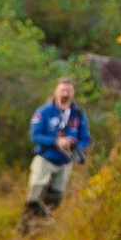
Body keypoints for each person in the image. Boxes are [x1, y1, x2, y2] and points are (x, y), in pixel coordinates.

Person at [25, 77, 90, 220]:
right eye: (62, 90)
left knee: (54, 199)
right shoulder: (44, 112)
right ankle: (26, 227)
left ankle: (43, 226)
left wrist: (75, 146)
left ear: (73, 93)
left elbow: (86, 138)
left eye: (68, 91)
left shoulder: (78, 115)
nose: (65, 94)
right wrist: (56, 142)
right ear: (56, 92)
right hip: (45, 158)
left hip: (65, 162)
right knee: (35, 197)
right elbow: (35, 136)